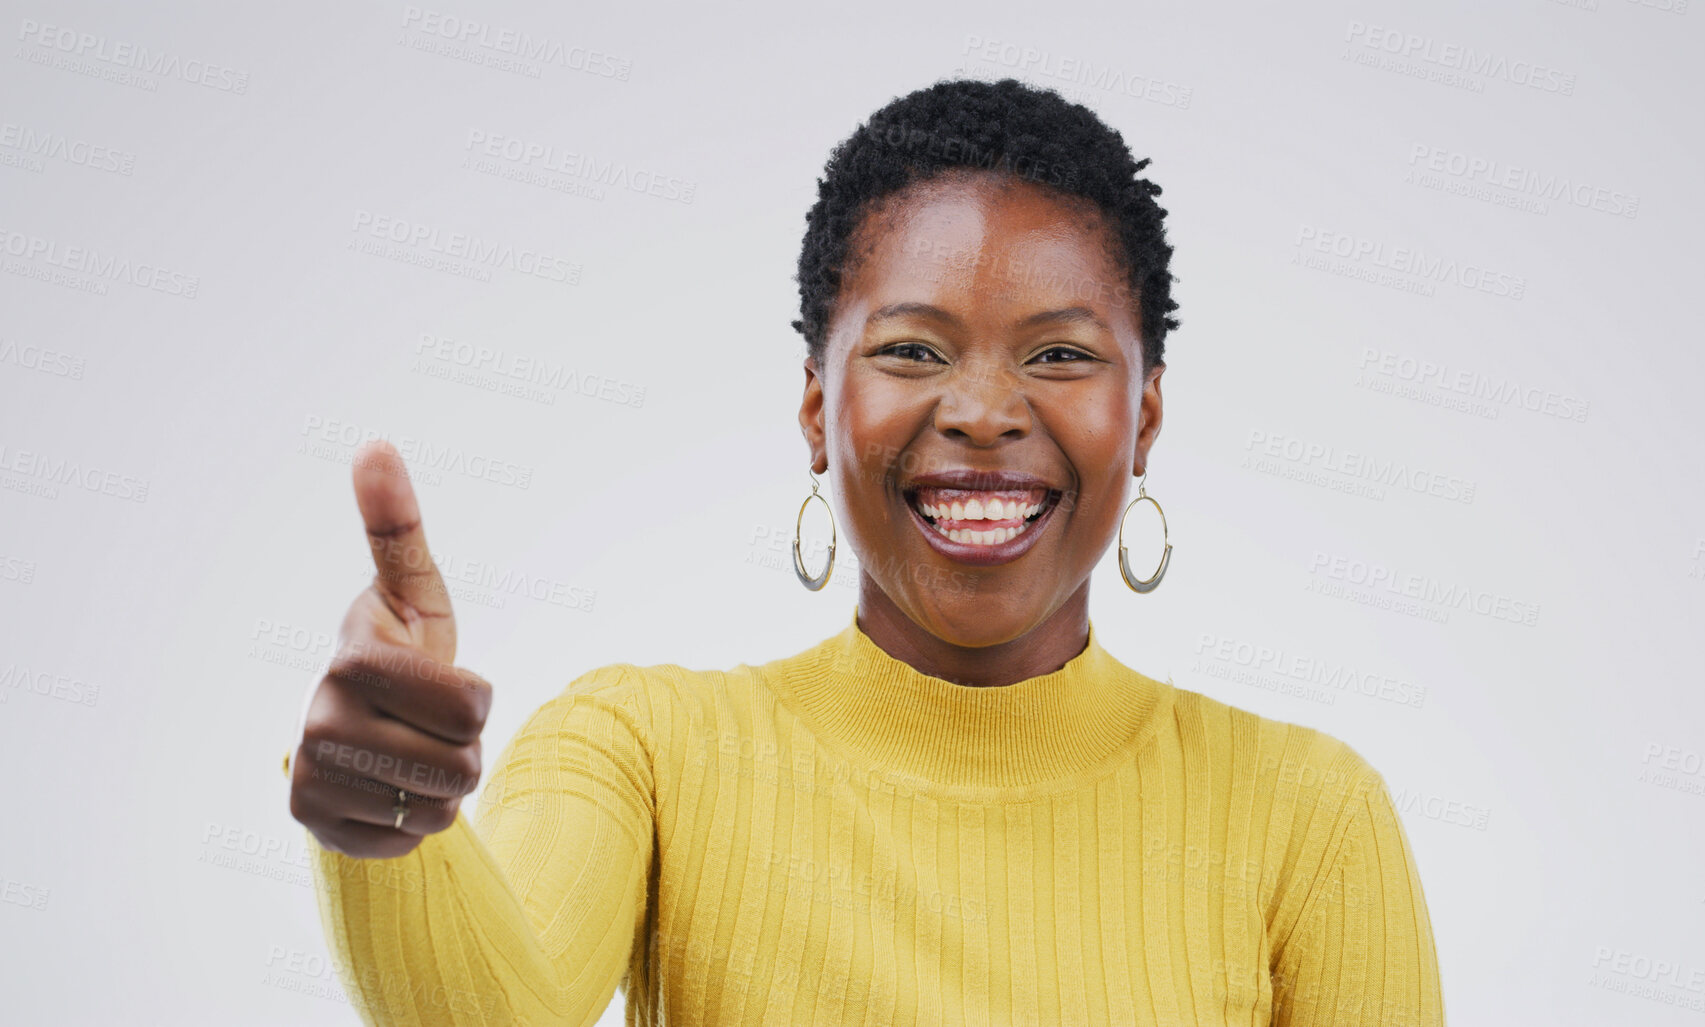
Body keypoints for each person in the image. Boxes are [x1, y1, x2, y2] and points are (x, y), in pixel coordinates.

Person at [283, 76, 1443, 1026]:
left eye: (1058, 357)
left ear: (1142, 418)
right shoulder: (643, 749)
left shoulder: (1309, 817)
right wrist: (389, 828)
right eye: (913, 350)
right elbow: (498, 1010)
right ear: (814, 404)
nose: (984, 410)